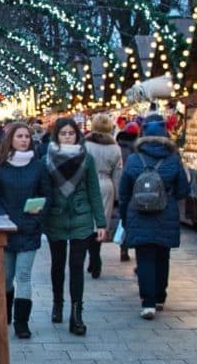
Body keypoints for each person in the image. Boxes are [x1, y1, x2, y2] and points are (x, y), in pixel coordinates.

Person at [118, 116, 190, 320]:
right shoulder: (173, 159)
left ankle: (147, 303)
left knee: (145, 257)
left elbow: (124, 192)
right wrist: (169, 196)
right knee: (162, 256)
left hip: (138, 214)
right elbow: (184, 189)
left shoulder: (133, 159)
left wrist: (125, 216)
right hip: (165, 213)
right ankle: (160, 296)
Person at [41, 117, 106, 336]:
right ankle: (57, 303)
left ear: (77, 135)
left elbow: (94, 192)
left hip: (81, 217)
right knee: (58, 264)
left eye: (71, 133)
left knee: (77, 265)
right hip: (56, 217)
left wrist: (101, 222)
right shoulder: (47, 159)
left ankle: (76, 313)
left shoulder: (86, 159)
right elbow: (43, 191)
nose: (67, 136)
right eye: (63, 133)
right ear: (56, 135)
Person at [0, 122, 44, 339]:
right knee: (6, 277)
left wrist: (38, 213)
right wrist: (1, 214)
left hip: (29, 228)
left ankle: (22, 323)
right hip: (5, 229)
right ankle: (5, 313)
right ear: (10, 139)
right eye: (20, 136)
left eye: (27, 136)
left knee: (23, 275)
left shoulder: (38, 166)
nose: (24, 140)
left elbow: (47, 194)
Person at [85, 114, 123, 279]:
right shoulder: (115, 148)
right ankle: (96, 255)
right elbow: (118, 172)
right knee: (101, 224)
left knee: (88, 221)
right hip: (107, 185)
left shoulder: (85, 145)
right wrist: (118, 195)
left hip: (87, 184)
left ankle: (93, 257)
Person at [115, 121, 141, 262]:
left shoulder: (117, 146)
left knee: (123, 217)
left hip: (120, 184)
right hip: (136, 186)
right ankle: (135, 248)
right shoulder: (138, 148)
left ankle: (123, 247)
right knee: (136, 217)